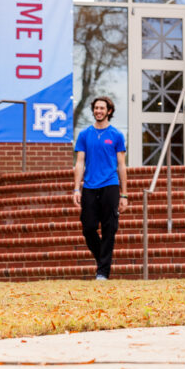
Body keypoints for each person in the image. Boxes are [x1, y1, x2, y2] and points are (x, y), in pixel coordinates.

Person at [72, 96, 129, 280]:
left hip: (110, 185)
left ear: (109, 111)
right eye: (96, 108)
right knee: (88, 228)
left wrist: (124, 194)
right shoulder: (84, 134)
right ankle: (103, 260)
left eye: (102, 108)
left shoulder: (116, 135)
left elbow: (121, 165)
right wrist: (75, 189)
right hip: (89, 186)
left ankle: (103, 272)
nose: (98, 111)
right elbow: (80, 163)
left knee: (109, 228)